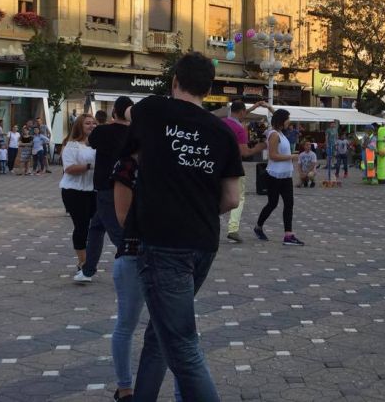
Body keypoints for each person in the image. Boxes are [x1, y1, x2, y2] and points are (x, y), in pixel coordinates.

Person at [120, 52, 242, 401]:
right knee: (162, 334)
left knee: (183, 346)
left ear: (175, 80)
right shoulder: (222, 132)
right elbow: (231, 198)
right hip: (203, 243)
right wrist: (196, 208)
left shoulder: (153, 110)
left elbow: (127, 114)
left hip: (164, 244)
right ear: (209, 88)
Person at [74, 96, 134, 283]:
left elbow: (89, 142)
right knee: (96, 227)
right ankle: (88, 270)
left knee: (117, 232)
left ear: (114, 112)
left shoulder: (103, 130)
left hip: (107, 187)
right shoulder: (135, 132)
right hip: (128, 184)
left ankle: (137, 267)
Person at [222, 100, 269, 243]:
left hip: (217, 164)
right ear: (242, 112)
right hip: (234, 166)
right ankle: (233, 228)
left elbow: (240, 113)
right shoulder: (240, 129)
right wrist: (260, 147)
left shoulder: (222, 122)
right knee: (239, 197)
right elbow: (245, 152)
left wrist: (254, 106)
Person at [254, 109, 304, 245]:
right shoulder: (274, 135)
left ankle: (288, 235)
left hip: (286, 175)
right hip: (274, 175)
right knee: (272, 204)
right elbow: (273, 155)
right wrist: (291, 156)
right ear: (282, 121)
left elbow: (276, 114)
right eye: (287, 118)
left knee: (289, 204)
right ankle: (258, 227)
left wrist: (268, 106)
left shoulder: (281, 133)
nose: (289, 121)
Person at [59, 113, 97, 269]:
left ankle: (90, 258)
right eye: (87, 123)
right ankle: (83, 262)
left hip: (93, 190)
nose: (92, 126)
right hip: (74, 191)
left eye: (94, 123)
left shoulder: (97, 145)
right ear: (79, 126)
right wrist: (90, 166)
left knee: (96, 226)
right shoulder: (72, 145)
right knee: (82, 226)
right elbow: (69, 168)